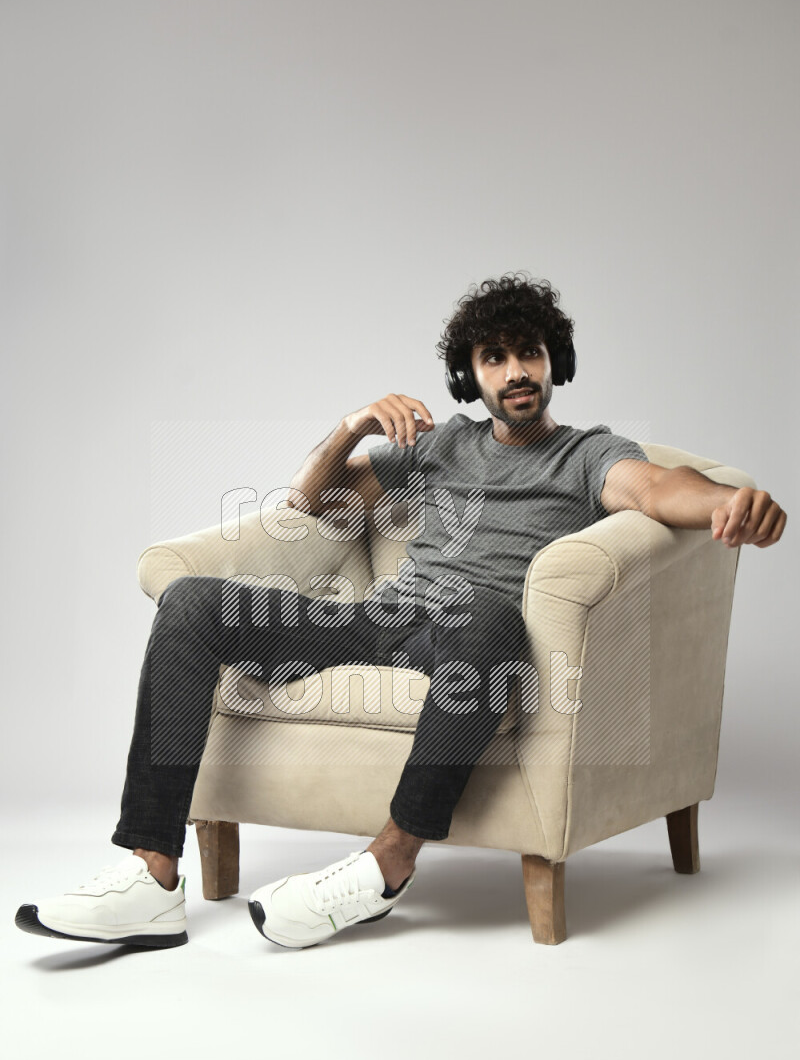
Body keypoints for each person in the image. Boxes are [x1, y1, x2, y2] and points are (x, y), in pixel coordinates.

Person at [15, 273, 787, 952]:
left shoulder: (586, 454)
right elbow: (306, 503)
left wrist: (728, 502)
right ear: (470, 375)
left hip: (469, 634)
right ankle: (152, 877)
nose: (517, 371)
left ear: (555, 361)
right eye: (496, 357)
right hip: (378, 619)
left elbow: (655, 492)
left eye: (531, 353)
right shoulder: (437, 447)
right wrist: (354, 423)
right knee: (189, 602)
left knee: (490, 623)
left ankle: (386, 865)